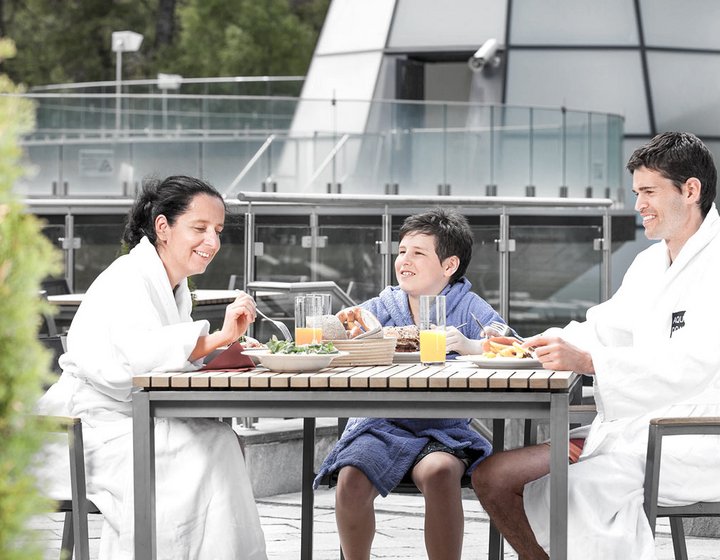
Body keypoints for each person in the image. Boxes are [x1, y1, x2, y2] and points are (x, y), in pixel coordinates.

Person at [472, 131, 720, 559]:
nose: (638, 204)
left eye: (649, 192)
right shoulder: (650, 262)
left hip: (688, 439)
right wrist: (539, 344)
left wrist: (588, 361)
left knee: (578, 491)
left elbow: (692, 366)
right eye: (636, 192)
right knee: (493, 476)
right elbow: (604, 327)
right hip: (630, 430)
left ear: (691, 190)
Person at [37, 176, 267, 560]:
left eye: (218, 230)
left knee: (221, 441)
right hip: (86, 433)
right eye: (199, 228)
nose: (212, 241)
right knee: (206, 449)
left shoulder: (172, 288)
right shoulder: (128, 277)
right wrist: (217, 338)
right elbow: (136, 358)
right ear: (163, 227)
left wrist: (223, 351)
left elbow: (164, 359)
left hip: (126, 420)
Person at [314, 208, 508, 560]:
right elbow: (342, 337)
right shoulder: (382, 307)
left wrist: (470, 345)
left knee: (439, 473)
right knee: (351, 478)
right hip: (381, 423)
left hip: (443, 426)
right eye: (402, 251)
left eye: (419, 253)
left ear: (449, 266)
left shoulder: (469, 307)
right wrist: (342, 327)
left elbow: (510, 346)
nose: (405, 260)